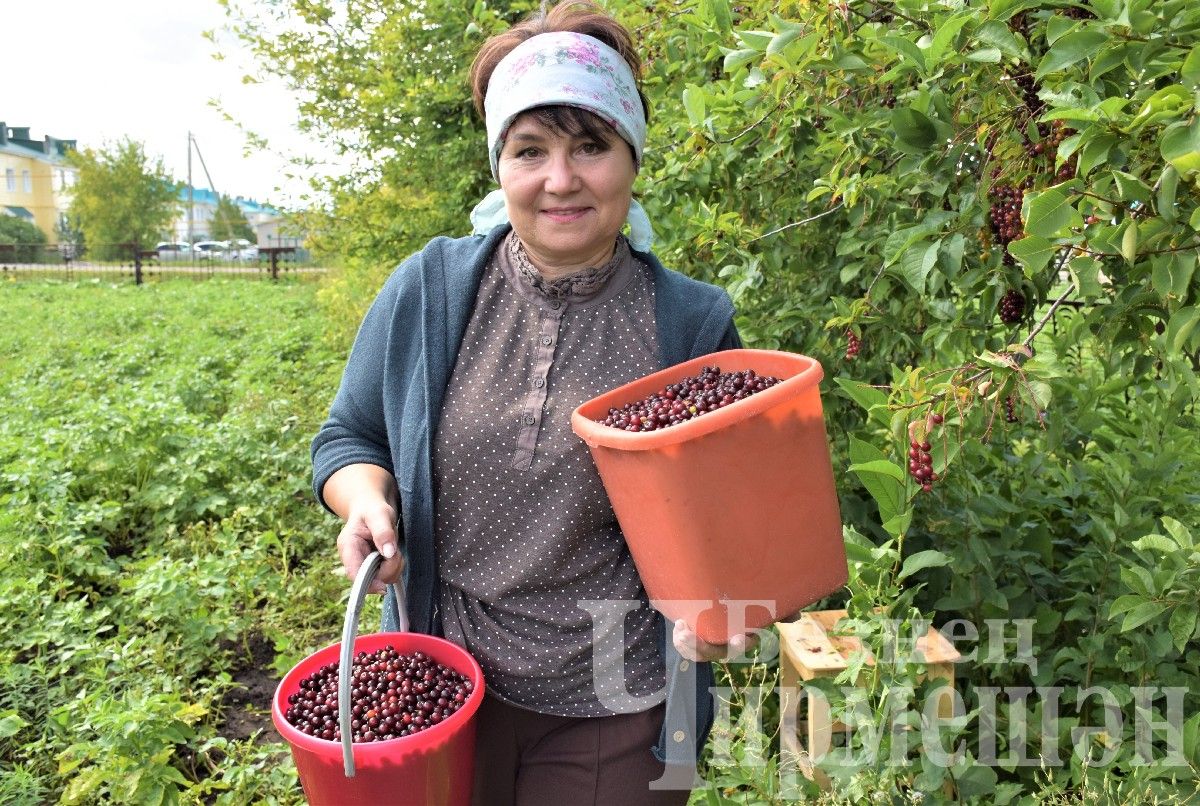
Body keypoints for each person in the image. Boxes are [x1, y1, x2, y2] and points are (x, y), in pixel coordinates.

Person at [311, 2, 753, 803]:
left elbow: (732, 515)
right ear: (499, 165)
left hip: (619, 698)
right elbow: (349, 438)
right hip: (439, 684)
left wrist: (728, 596)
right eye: (530, 150)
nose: (560, 179)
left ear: (632, 156)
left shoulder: (691, 323)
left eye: (590, 145)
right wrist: (365, 505)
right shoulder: (432, 290)